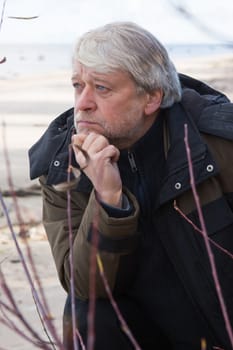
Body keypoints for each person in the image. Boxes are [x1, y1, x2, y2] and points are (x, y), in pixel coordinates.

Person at [29, 22, 233, 350]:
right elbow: (85, 287)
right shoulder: (63, 168)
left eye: (102, 88)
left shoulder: (219, 145)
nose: (82, 103)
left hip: (220, 331)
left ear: (151, 97)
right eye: (77, 85)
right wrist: (109, 200)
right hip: (136, 334)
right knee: (88, 314)